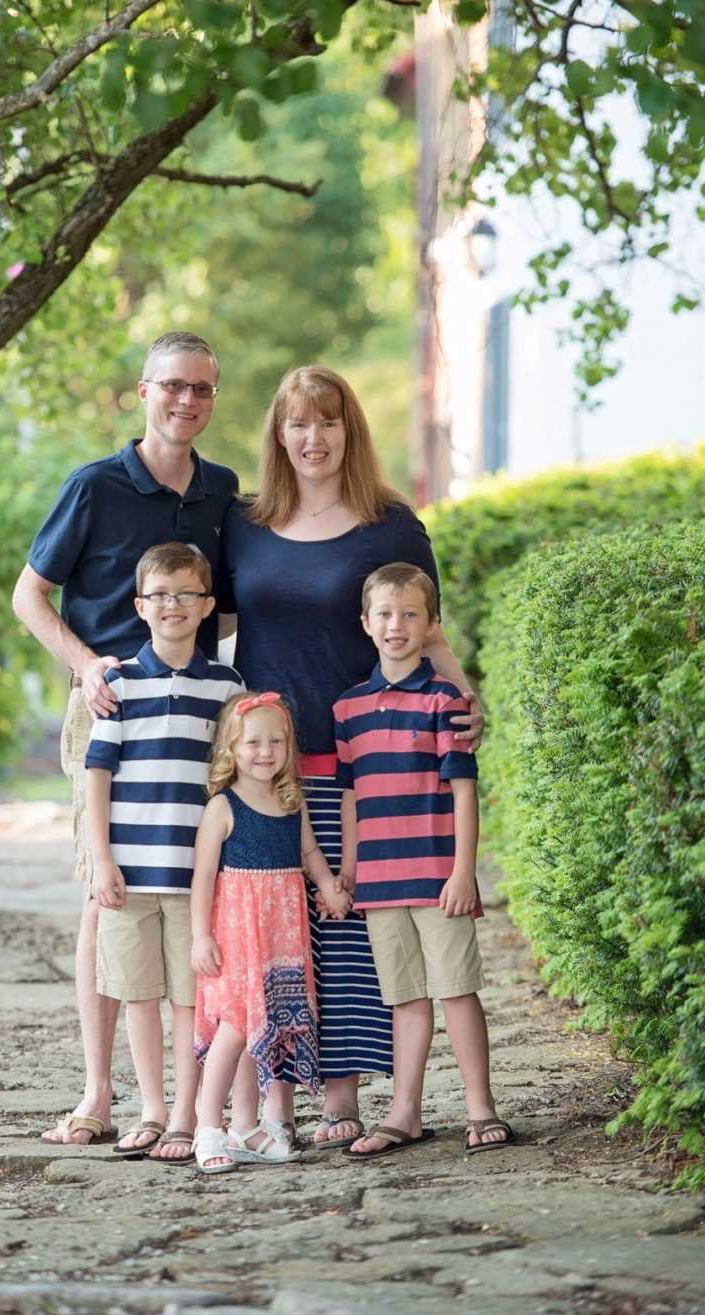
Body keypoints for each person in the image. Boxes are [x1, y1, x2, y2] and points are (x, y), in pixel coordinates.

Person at [217, 365, 485, 1148]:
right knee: (271, 936)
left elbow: (427, 634)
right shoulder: (245, 522)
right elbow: (202, 607)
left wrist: (468, 709)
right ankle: (271, 1106)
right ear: (278, 434)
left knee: (341, 940)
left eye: (327, 423)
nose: (312, 438)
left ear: (349, 431)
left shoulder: (390, 524)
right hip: (266, 764)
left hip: (363, 763)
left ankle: (340, 1100)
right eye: (297, 424)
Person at [11, 332, 237, 1150]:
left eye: (203, 390)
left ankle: (187, 1102)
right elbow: (29, 595)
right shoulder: (96, 486)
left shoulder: (222, 491)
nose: (187, 401)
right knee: (103, 894)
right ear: (143, 391)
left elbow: (231, 605)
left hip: (191, 711)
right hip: (110, 704)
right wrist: (85, 666)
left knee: (187, 895)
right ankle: (99, 1091)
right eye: (173, 385)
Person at [335, 563, 513, 1158]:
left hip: (439, 879)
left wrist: (464, 871)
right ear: (365, 624)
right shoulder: (348, 710)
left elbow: (464, 790)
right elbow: (352, 796)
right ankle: (404, 1112)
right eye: (385, 614)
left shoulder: (445, 701)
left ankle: (480, 1107)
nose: (397, 625)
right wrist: (351, 872)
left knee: (457, 991)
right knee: (406, 999)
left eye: (411, 614)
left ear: (432, 624)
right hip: (381, 885)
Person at [85, 542, 243, 1163]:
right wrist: (101, 859)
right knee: (137, 994)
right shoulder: (119, 683)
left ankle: (185, 1113)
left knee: (190, 999)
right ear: (140, 607)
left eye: (185, 594)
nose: (172, 605)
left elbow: (230, 773)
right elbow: (98, 776)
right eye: (159, 595)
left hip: (194, 877)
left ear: (207, 606)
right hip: (129, 871)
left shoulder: (226, 685)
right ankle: (151, 1109)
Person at [190, 692, 351, 1173]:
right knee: (235, 1028)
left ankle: (246, 1127)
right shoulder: (223, 805)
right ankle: (207, 1127)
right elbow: (201, 877)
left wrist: (329, 885)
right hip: (239, 935)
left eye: (276, 741)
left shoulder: (290, 798)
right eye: (253, 742)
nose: (265, 751)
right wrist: (200, 936)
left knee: (259, 1028)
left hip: (282, 935)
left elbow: (308, 855)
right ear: (231, 749)